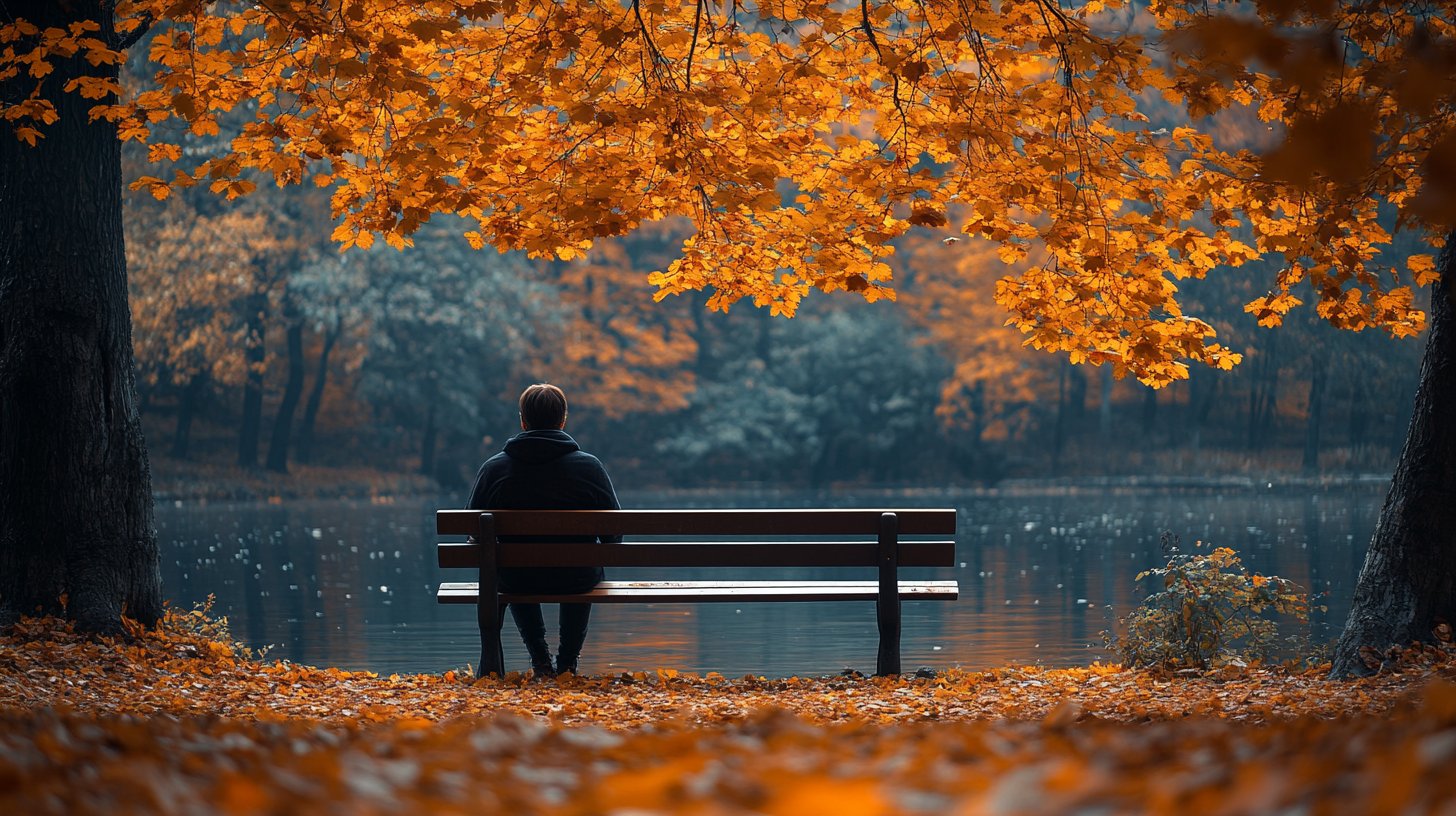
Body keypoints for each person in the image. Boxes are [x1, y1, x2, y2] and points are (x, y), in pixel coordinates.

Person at [467, 383, 620, 677]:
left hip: (517, 578)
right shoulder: (589, 467)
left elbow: (473, 534)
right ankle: (567, 663)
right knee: (580, 565)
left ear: (522, 421)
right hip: (577, 577)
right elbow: (615, 534)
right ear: (563, 419)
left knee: (508, 571)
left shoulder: (495, 468)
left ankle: (540, 661)